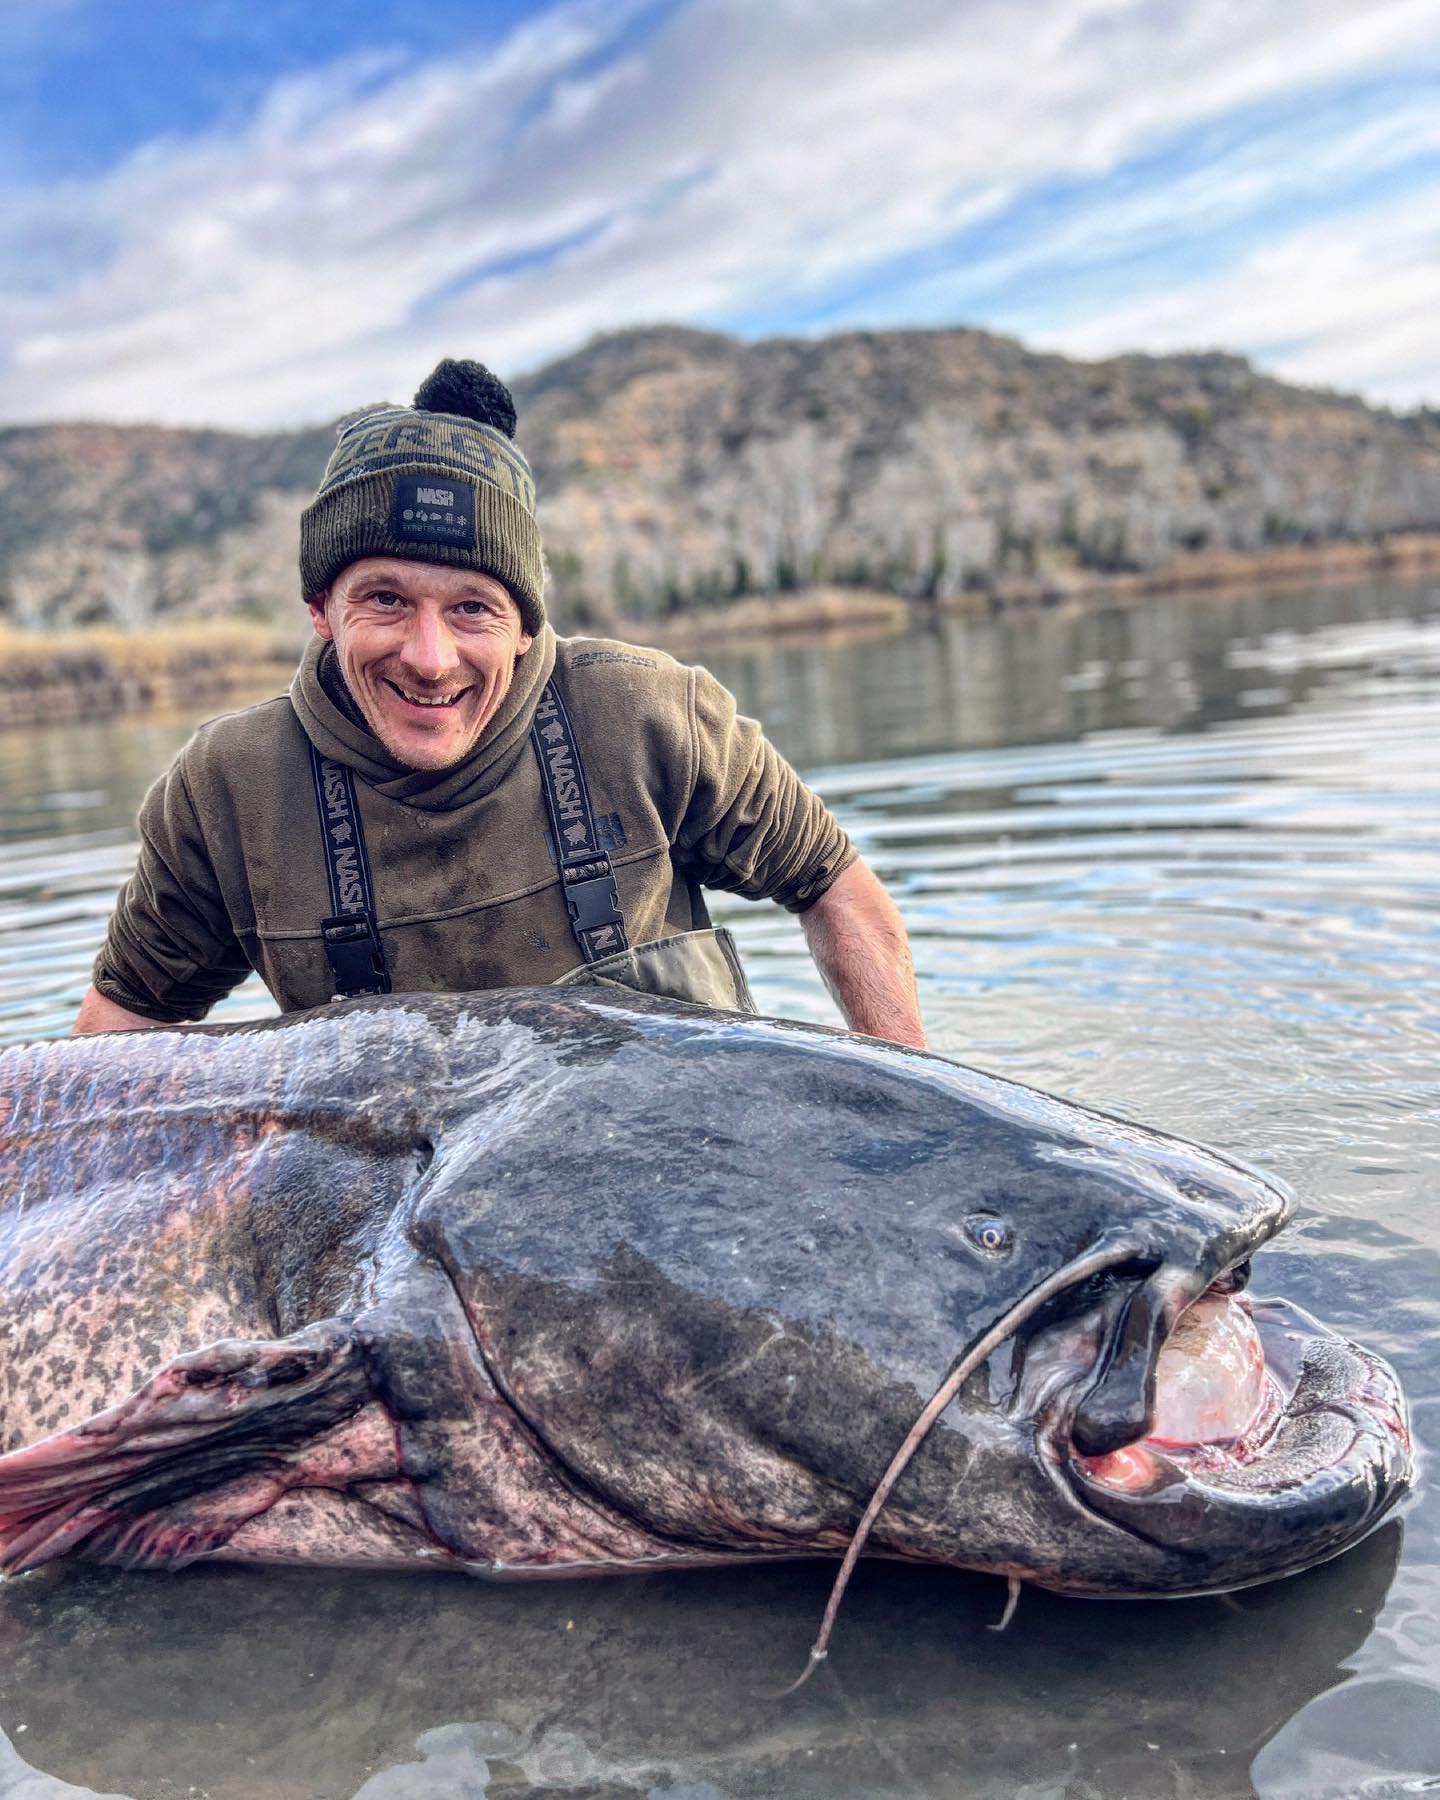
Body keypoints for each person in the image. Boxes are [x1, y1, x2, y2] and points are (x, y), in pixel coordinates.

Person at [72, 358, 926, 1049]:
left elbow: (834, 885)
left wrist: (921, 1117)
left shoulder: (645, 713)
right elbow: (118, 1031)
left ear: (523, 625)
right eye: (386, 600)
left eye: (472, 608)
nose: (431, 658)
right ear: (320, 608)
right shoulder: (227, 790)